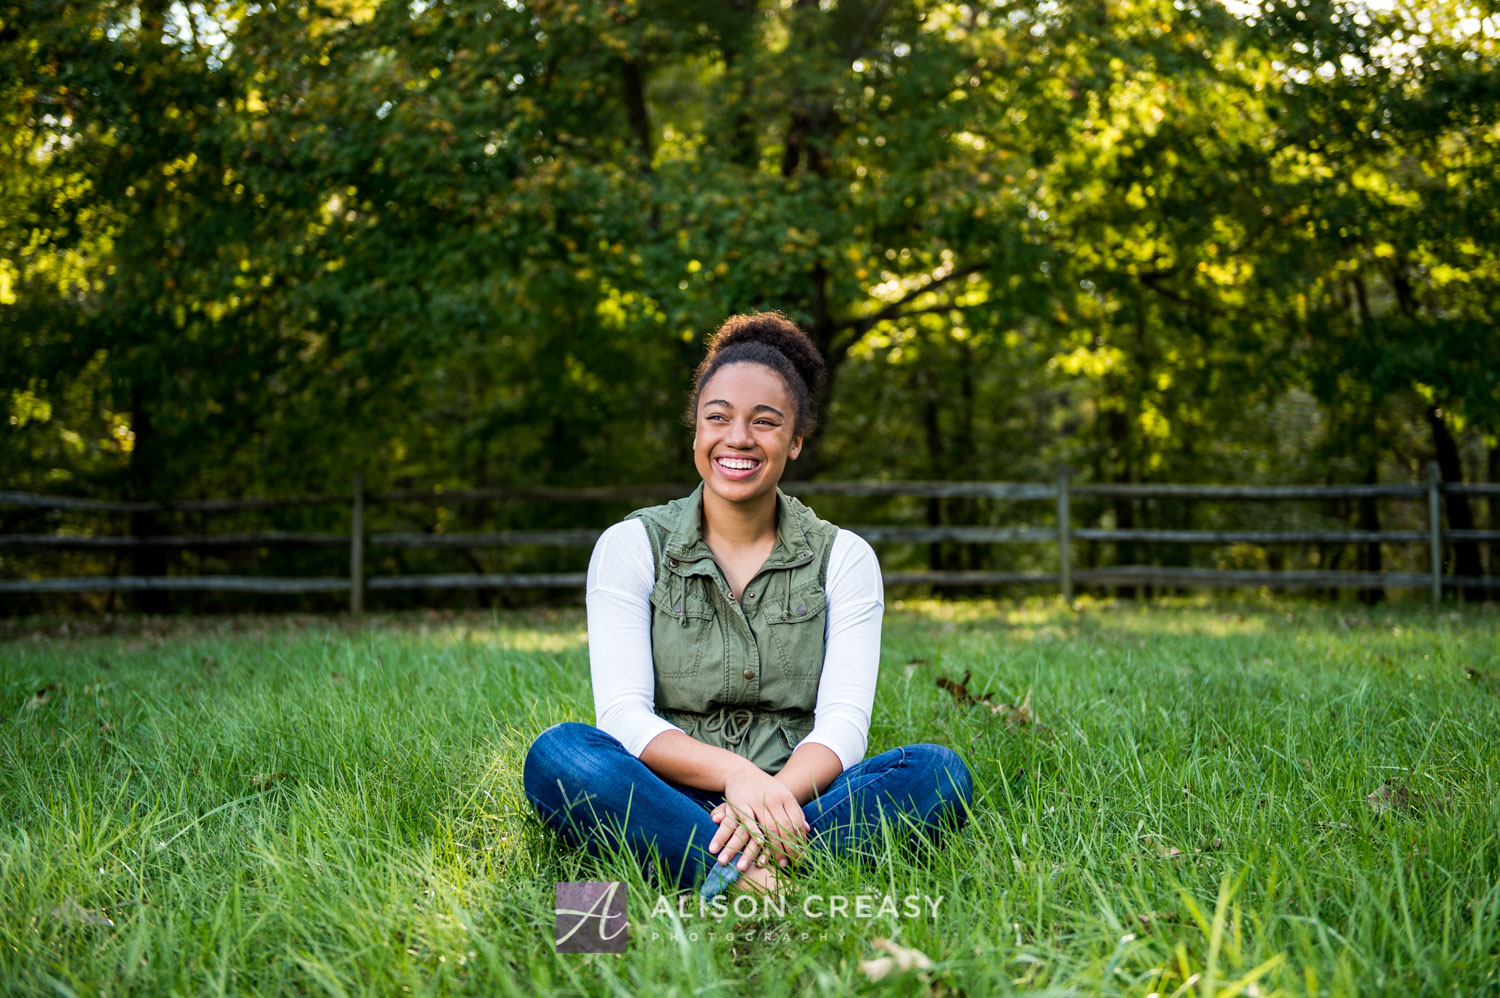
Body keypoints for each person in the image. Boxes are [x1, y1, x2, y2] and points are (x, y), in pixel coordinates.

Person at [523, 311, 974, 900]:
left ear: (795, 442)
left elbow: (844, 725)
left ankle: (708, 871)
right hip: (667, 790)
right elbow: (623, 718)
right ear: (695, 433)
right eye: (718, 418)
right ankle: (779, 880)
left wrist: (770, 797)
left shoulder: (845, 558)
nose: (738, 438)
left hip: (802, 798)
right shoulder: (630, 546)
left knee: (938, 774)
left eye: (765, 422)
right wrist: (737, 778)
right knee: (561, 755)